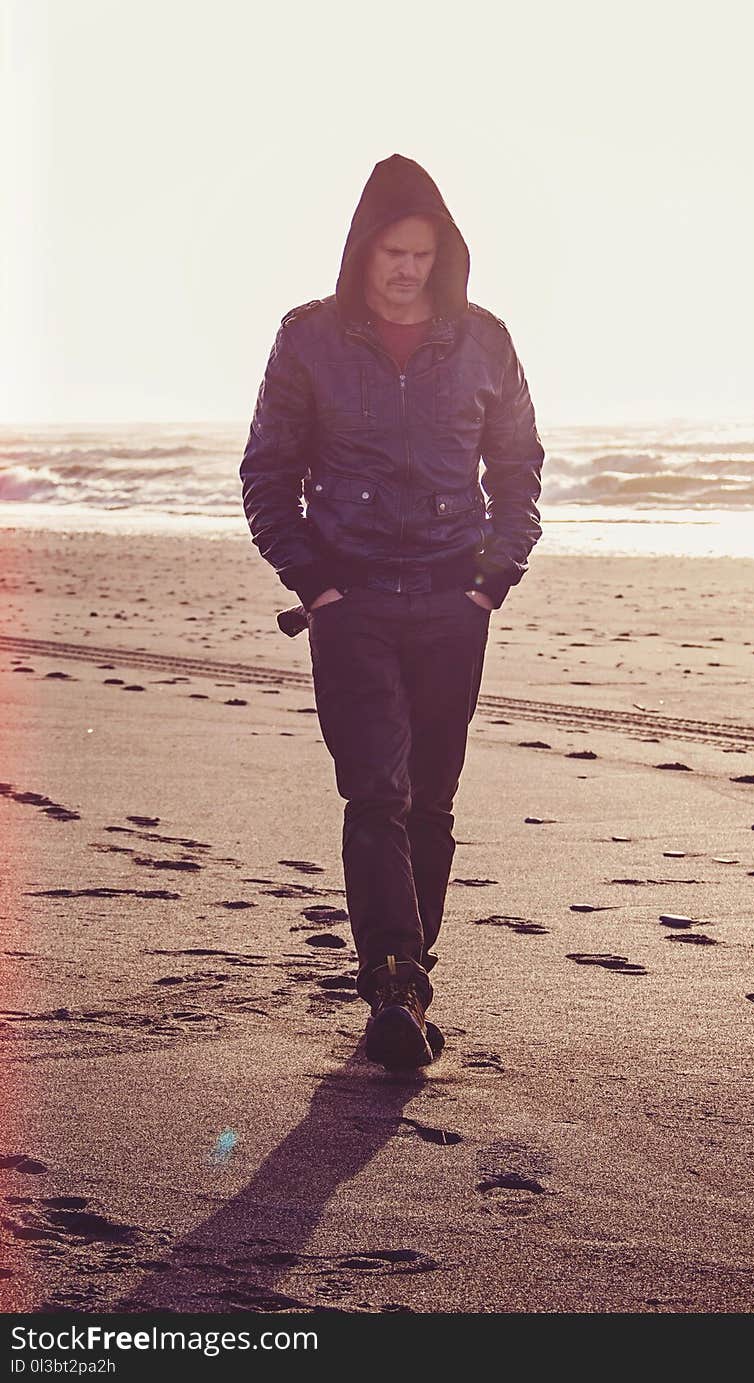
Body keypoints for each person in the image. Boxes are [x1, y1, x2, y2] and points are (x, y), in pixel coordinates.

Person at [240, 154, 544, 1070]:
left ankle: (412, 973)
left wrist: (493, 577)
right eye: (391, 251)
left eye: (422, 252)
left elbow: (519, 468)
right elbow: (267, 471)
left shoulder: (483, 339)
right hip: (355, 602)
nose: (406, 269)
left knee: (432, 803)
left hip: (455, 602)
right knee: (376, 790)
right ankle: (395, 985)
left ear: (443, 253)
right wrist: (316, 581)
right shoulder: (309, 337)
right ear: (362, 251)